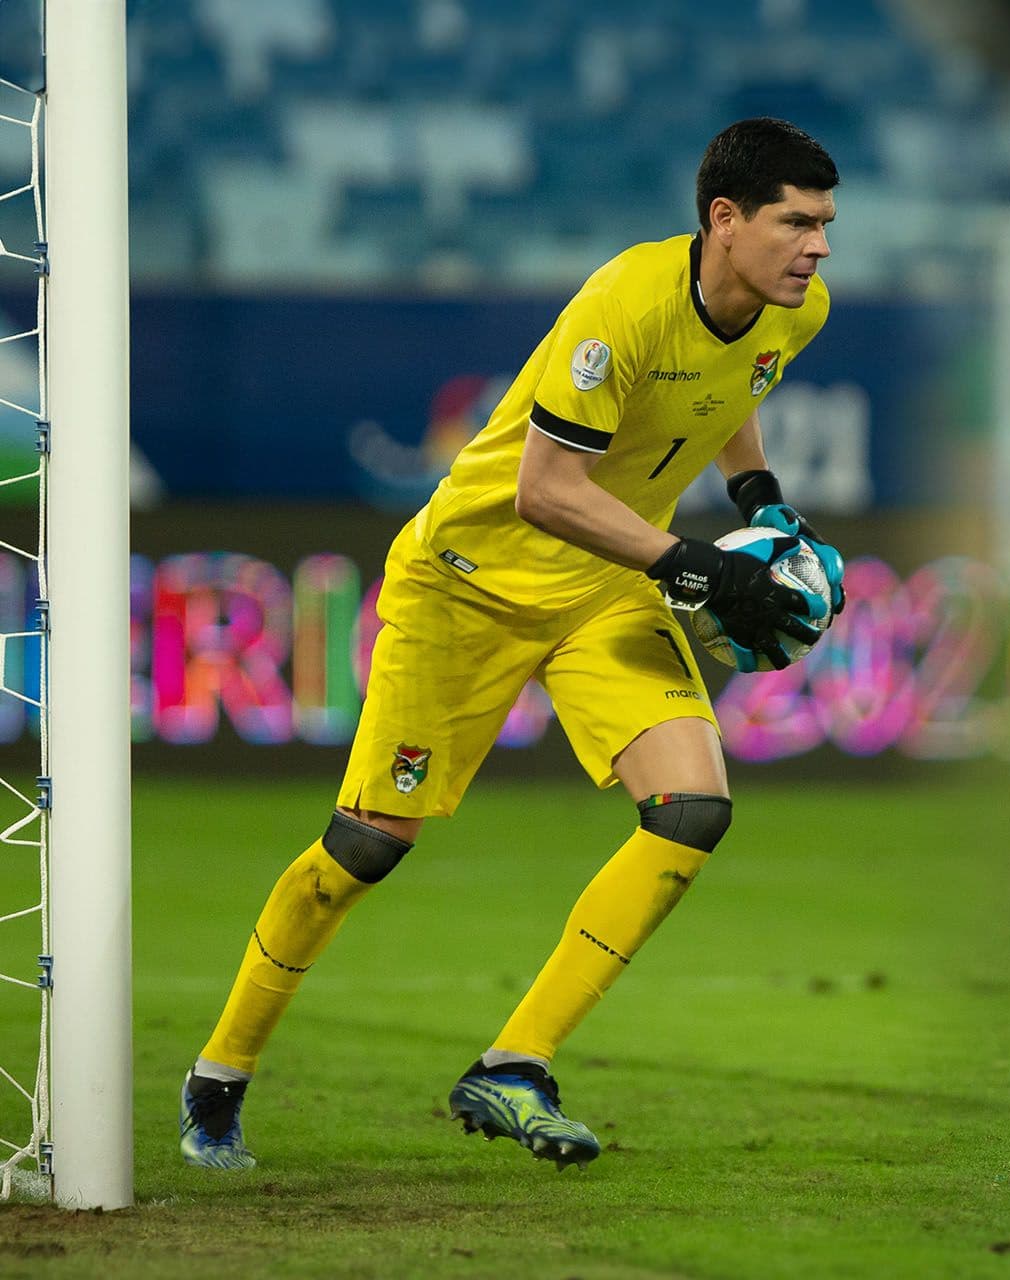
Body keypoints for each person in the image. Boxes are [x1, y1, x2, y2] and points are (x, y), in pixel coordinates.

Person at [179, 117, 846, 1171]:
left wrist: (756, 491)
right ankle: (219, 1072)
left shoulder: (791, 312)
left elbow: (732, 385)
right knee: (365, 848)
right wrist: (699, 563)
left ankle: (515, 1062)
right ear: (724, 220)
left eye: (826, 226)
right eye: (797, 223)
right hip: (465, 586)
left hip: (602, 588)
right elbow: (545, 490)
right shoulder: (621, 307)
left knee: (693, 808)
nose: (817, 247)